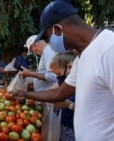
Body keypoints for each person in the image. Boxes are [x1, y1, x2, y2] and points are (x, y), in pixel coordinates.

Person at [12, 0, 114, 140]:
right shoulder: (81, 57)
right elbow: (60, 93)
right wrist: (25, 94)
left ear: (58, 29)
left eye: (48, 37)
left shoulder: (109, 49)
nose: (50, 43)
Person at [49, 51, 78, 141]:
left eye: (59, 74)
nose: (58, 77)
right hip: (63, 123)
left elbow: (87, 110)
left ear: (69, 67)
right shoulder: (64, 79)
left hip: (74, 127)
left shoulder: (81, 83)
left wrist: (68, 104)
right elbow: (53, 89)